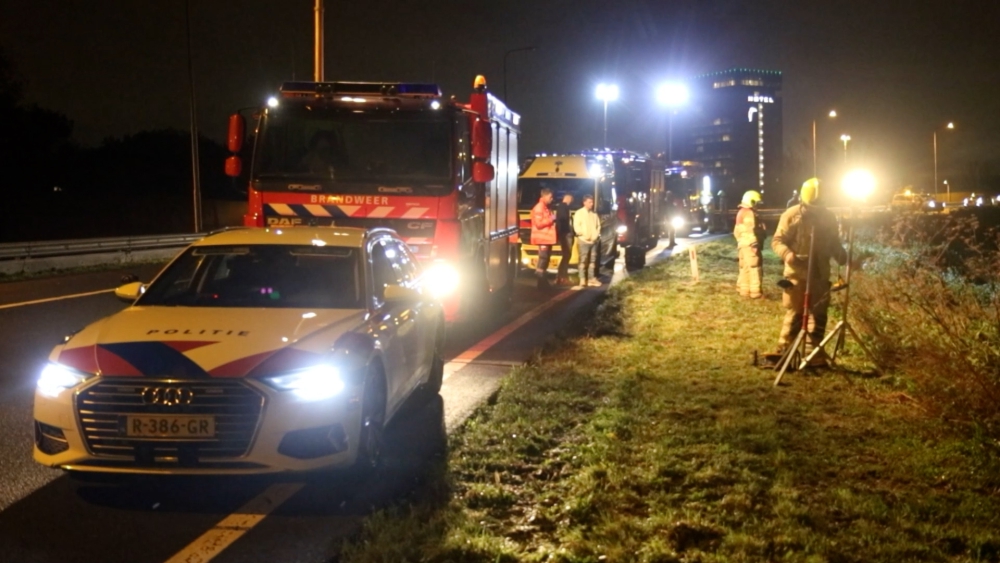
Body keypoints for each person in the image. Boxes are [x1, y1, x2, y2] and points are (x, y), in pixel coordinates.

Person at [771, 178, 847, 366]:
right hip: (797, 274)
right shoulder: (792, 215)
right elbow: (777, 241)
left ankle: (814, 354)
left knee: (820, 314)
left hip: (821, 274)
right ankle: (785, 351)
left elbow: (834, 243)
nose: (816, 210)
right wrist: (787, 254)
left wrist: (844, 258)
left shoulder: (828, 217)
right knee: (795, 313)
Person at [734, 190, 766, 299]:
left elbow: (736, 231)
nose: (757, 205)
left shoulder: (741, 212)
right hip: (749, 244)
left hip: (743, 244)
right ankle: (755, 293)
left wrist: (741, 242)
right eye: (756, 202)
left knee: (745, 268)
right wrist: (754, 244)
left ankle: (744, 290)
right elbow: (750, 230)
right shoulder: (749, 213)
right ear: (751, 201)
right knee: (754, 267)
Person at [573, 194, 602, 287]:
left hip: (593, 241)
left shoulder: (594, 214)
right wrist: (582, 234)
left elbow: (598, 226)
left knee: (592, 261)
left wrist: (596, 235)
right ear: (584, 202)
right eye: (589, 202)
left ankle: (591, 279)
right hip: (583, 240)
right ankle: (582, 279)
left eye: (592, 202)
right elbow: (576, 226)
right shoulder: (579, 213)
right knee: (583, 260)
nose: (592, 204)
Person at [531, 188, 557, 288]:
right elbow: (538, 224)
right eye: (550, 197)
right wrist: (551, 219)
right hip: (543, 239)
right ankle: (541, 282)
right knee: (543, 260)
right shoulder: (539, 208)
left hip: (547, 239)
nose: (552, 199)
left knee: (545, 260)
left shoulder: (545, 207)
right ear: (544, 196)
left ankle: (543, 281)